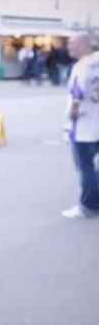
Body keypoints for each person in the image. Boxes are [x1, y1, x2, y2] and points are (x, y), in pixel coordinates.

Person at [61, 34, 99, 219]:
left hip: (83, 125)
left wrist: (72, 112)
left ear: (83, 45)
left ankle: (88, 206)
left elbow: (77, 93)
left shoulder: (82, 66)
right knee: (92, 167)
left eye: (72, 44)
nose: (69, 48)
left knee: (85, 167)